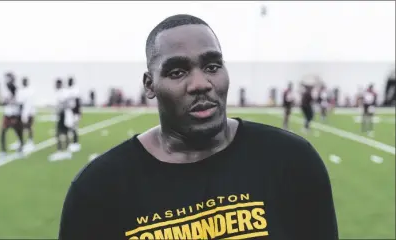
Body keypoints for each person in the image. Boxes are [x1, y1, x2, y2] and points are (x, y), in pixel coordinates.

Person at [59, 14, 338, 240]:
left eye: (213, 66)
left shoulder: (291, 161)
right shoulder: (99, 189)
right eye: (177, 72)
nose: (201, 83)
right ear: (149, 85)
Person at [0, 72, 24, 159]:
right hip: (7, 114)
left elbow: (19, 103)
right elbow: (4, 102)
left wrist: (17, 116)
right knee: (3, 132)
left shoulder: (15, 89)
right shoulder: (7, 90)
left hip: (14, 114)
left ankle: (21, 149)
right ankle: (3, 151)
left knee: (18, 132)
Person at [48, 79, 72, 161]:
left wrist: (59, 110)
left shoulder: (62, 93)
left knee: (59, 133)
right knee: (64, 133)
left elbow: (64, 104)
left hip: (63, 115)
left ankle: (61, 150)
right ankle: (66, 150)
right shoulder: (63, 92)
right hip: (63, 114)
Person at [10, 77, 36, 151]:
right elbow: (19, 102)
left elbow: (30, 103)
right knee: (19, 127)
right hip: (21, 111)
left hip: (29, 112)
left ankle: (30, 141)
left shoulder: (30, 91)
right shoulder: (20, 91)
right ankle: (20, 141)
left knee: (29, 127)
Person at [66, 77, 82, 152]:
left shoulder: (75, 91)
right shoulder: (67, 90)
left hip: (74, 111)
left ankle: (76, 143)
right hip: (69, 111)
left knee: (74, 128)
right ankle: (71, 143)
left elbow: (77, 102)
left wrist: (78, 112)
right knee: (69, 128)